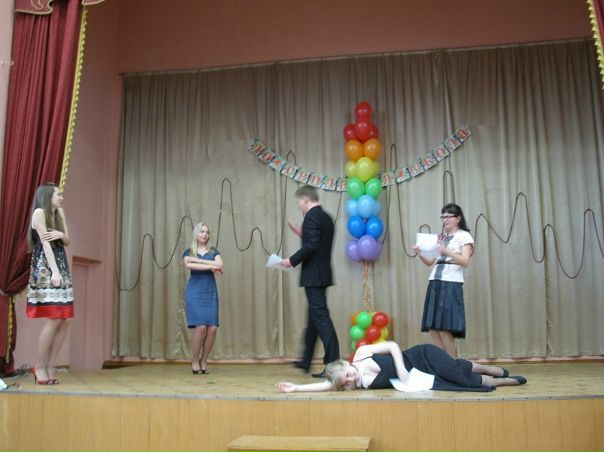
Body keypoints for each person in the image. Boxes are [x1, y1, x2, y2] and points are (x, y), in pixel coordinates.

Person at [276, 341, 527, 393]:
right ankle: (504, 380)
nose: (351, 380)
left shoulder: (361, 354)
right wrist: (295, 388)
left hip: (419, 357)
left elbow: (393, 346)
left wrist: (400, 368)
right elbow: (325, 385)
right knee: (459, 380)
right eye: (347, 382)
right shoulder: (353, 383)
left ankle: (494, 370)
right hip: (421, 377)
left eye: (348, 374)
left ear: (346, 363)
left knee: (453, 368)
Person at [281, 185, 340, 378]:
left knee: (321, 318)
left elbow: (312, 245)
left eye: (299, 202)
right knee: (313, 318)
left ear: (306, 199)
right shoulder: (326, 217)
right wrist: (302, 233)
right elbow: (318, 241)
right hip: (322, 273)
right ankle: (306, 361)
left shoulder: (311, 217)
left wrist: (291, 260)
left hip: (314, 275)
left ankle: (333, 363)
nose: (298, 206)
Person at [411, 203, 473, 358]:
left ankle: (453, 362)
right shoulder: (441, 238)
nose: (445, 220)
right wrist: (420, 252)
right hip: (435, 280)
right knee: (433, 326)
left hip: (451, 282)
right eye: (443, 217)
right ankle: (443, 362)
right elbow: (430, 261)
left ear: (458, 218)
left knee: (444, 326)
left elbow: (465, 261)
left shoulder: (464, 236)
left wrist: (447, 251)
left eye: (448, 217)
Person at [27, 183, 74, 385]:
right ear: (48, 196)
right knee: (55, 317)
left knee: (66, 319)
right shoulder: (39, 213)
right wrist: (54, 272)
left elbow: (67, 241)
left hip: (61, 265)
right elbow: (45, 245)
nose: (61, 197)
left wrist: (61, 234)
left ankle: (50, 366)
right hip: (46, 267)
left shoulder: (59, 213)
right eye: (58, 194)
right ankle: (39, 366)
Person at [183, 222, 223, 374]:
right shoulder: (189, 251)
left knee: (212, 328)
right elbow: (190, 266)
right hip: (195, 291)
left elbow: (220, 265)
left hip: (210, 291)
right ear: (196, 234)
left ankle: (204, 360)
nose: (204, 234)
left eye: (207, 232)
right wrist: (211, 265)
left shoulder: (213, 251)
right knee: (201, 327)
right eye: (201, 231)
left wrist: (199, 260)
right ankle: (194, 360)